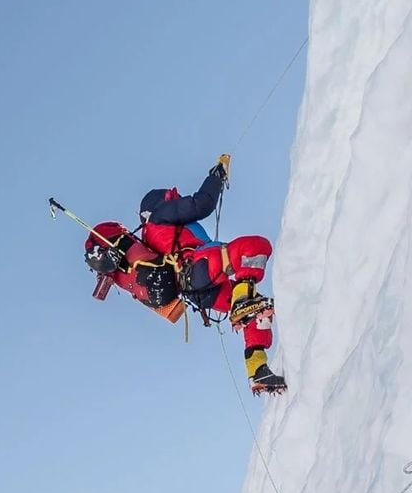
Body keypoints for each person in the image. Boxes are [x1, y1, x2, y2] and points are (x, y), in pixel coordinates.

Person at [83, 157, 287, 394]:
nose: (177, 198)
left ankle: (258, 371)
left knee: (257, 309)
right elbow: (203, 204)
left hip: (197, 292)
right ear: (162, 201)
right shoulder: (159, 216)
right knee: (255, 247)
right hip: (197, 267)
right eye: (173, 197)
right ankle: (243, 302)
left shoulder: (150, 243)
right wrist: (216, 176)